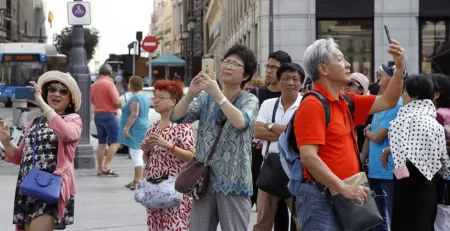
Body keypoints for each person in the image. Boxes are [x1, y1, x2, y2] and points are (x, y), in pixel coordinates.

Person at [294, 38, 406, 231]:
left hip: (348, 191)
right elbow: (309, 158)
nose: (347, 64)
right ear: (324, 69)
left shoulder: (346, 100)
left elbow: (389, 100)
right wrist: (342, 187)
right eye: (340, 59)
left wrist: (399, 67)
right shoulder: (312, 104)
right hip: (321, 197)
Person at [170, 44, 259, 231]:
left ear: (245, 75)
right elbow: (176, 117)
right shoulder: (205, 99)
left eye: (235, 64)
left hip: (235, 181)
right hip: (204, 180)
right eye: (226, 61)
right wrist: (191, 94)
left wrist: (217, 93)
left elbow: (241, 122)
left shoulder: (249, 100)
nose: (228, 66)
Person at [0, 71, 82, 231]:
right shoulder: (35, 122)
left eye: (63, 91)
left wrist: (42, 104)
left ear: (70, 99)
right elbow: (19, 157)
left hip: (50, 188)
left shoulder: (72, 119)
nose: (56, 94)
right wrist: (6, 141)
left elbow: (66, 133)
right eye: (52, 89)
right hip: (28, 188)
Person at [388, 74, 450, 231]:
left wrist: (400, 178)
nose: (402, 95)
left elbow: (399, 155)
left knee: (405, 223)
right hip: (430, 184)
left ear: (414, 95)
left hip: (408, 182)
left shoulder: (405, 118)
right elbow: (443, 161)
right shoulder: (434, 121)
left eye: (404, 91)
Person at [253, 63, 304, 231]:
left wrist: (270, 125)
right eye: (286, 78)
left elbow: (301, 136)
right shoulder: (268, 104)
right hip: (270, 166)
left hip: (297, 169)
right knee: (263, 222)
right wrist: (289, 132)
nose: (291, 83)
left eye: (295, 79)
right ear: (279, 81)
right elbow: (258, 132)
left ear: (301, 82)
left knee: (301, 221)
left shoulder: (306, 104)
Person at [141, 80, 196, 231]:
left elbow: (191, 156)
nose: (156, 100)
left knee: (174, 226)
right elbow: (148, 160)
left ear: (173, 101)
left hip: (175, 190)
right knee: (155, 226)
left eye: (160, 97)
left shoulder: (182, 126)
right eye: (155, 97)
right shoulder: (153, 126)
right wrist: (146, 150)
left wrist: (169, 145)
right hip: (154, 188)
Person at [249, 50, 293, 231]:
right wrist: (283, 131)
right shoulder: (257, 94)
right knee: (261, 208)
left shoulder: (294, 99)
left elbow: (294, 133)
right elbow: (256, 130)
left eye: (273, 67)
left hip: (286, 159)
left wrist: (269, 126)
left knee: (283, 208)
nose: (268, 71)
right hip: (259, 157)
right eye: (267, 66)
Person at [361, 65, 402, 231]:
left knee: (392, 214)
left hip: (389, 169)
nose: (379, 77)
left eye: (383, 74)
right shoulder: (381, 101)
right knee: (377, 216)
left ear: (393, 79)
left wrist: (368, 132)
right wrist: (361, 159)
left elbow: (378, 136)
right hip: (375, 168)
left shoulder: (396, 104)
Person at [118, 76, 150, 190]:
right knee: (139, 153)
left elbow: (134, 114)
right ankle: (137, 179)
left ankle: (138, 180)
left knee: (136, 154)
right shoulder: (144, 97)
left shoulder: (135, 98)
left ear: (131, 85)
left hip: (136, 129)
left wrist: (126, 128)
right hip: (142, 126)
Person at [91, 64, 122, 176]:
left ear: (100, 73)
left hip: (98, 115)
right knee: (116, 141)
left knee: (102, 143)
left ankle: (99, 169)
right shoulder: (109, 84)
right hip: (109, 115)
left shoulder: (94, 85)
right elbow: (117, 102)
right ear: (110, 73)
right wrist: (122, 104)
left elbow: (93, 101)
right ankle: (106, 166)